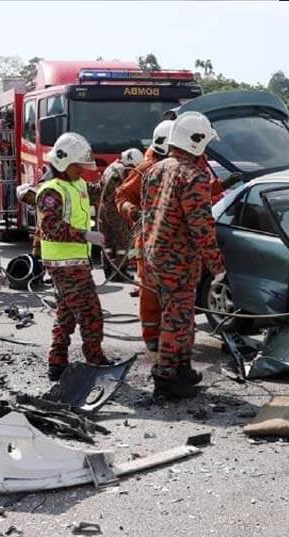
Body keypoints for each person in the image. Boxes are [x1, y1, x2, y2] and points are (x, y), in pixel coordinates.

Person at [140, 112, 226, 399]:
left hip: (155, 256)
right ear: (197, 141)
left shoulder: (155, 169)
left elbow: (148, 213)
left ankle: (182, 368)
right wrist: (217, 264)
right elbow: (201, 225)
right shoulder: (194, 176)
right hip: (178, 261)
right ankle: (166, 379)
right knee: (177, 321)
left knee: (179, 317)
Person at [36, 132, 111, 381]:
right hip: (64, 265)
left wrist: (117, 175)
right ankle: (95, 360)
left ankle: (56, 364)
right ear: (63, 163)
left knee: (65, 316)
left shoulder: (76, 184)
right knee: (90, 314)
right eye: (78, 167)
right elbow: (51, 227)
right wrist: (86, 236)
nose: (83, 171)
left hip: (76, 263)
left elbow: (96, 190)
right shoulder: (51, 191)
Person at [115, 120, 175, 352]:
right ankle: (151, 333)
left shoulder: (180, 165)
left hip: (171, 240)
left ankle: (170, 332)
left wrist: (219, 185)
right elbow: (121, 196)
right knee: (149, 289)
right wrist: (132, 211)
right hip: (147, 238)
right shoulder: (146, 168)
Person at [98, 148, 144, 282]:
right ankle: (119, 271)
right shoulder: (120, 172)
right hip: (114, 210)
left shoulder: (112, 167)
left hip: (103, 208)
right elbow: (119, 193)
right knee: (122, 242)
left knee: (107, 242)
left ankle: (108, 269)